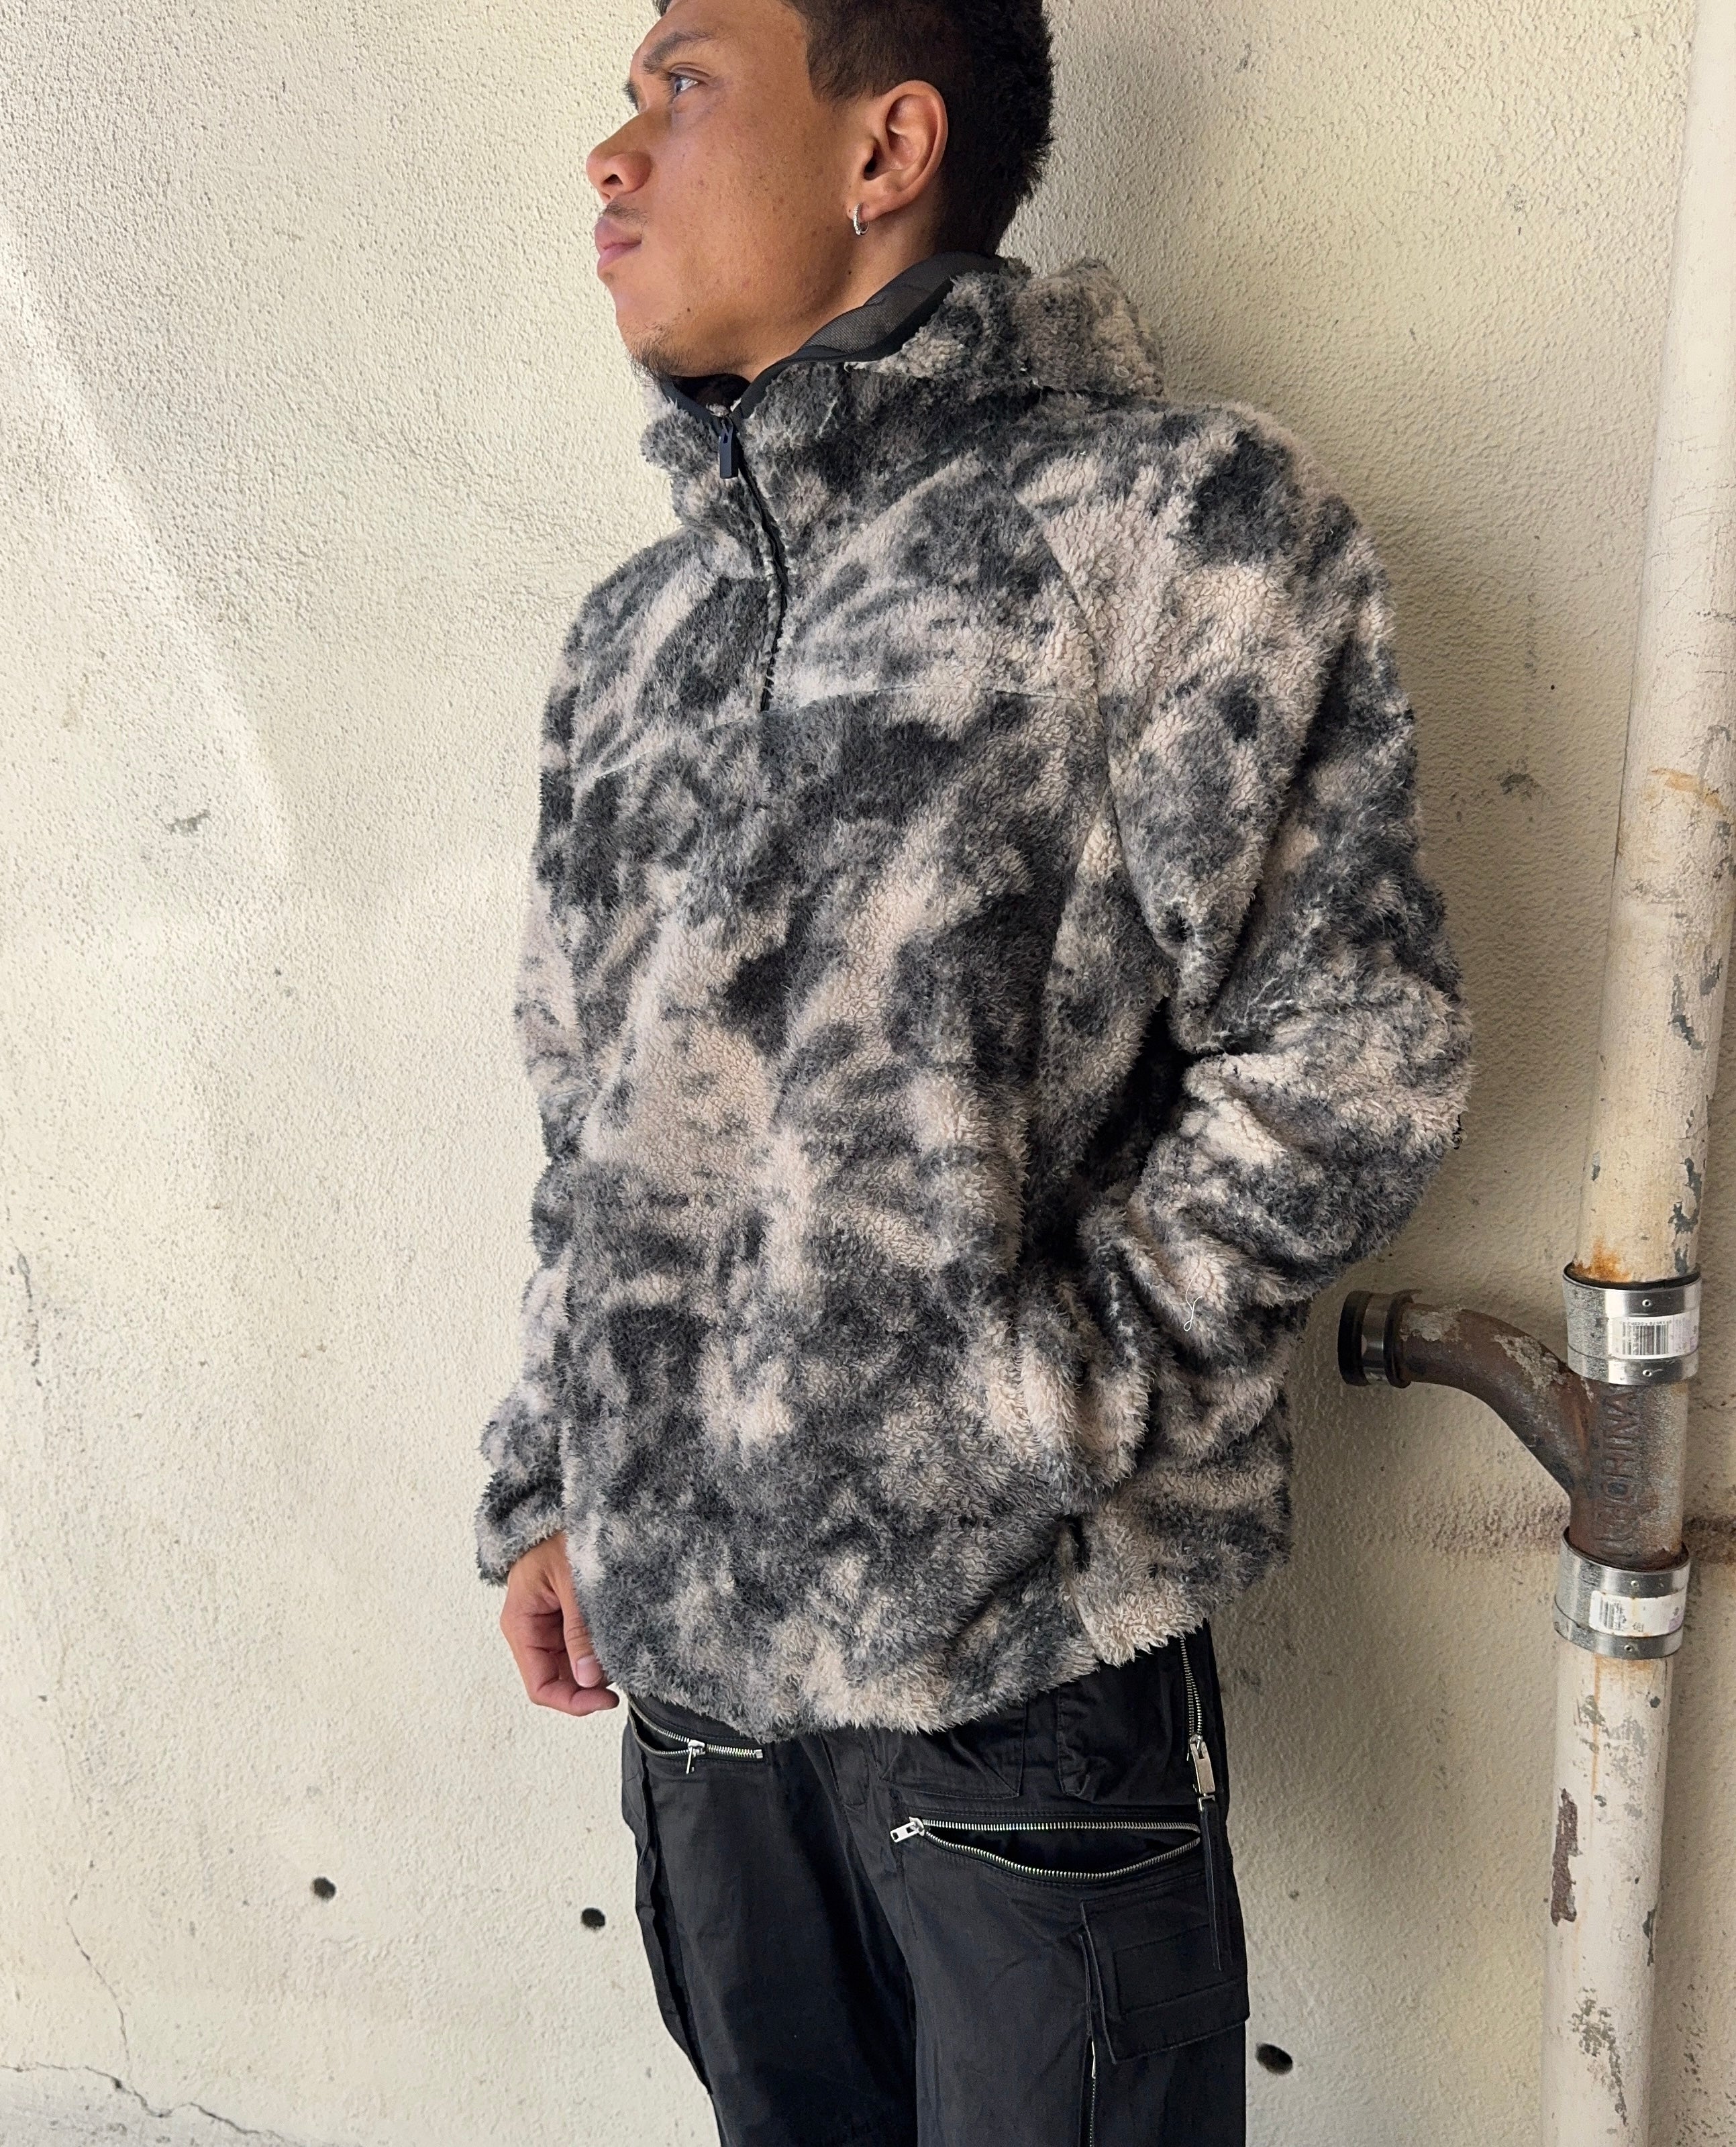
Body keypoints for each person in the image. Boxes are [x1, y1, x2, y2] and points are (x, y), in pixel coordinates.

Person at [476, 0, 1474, 2139]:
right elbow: (591, 1121)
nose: (611, 156)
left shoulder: (1169, 525)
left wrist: (1041, 1406)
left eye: (680, 84)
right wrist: (552, 1474)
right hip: (693, 1684)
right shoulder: (635, 637)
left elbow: (1348, 1046)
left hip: (1011, 1677)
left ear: (886, 147)